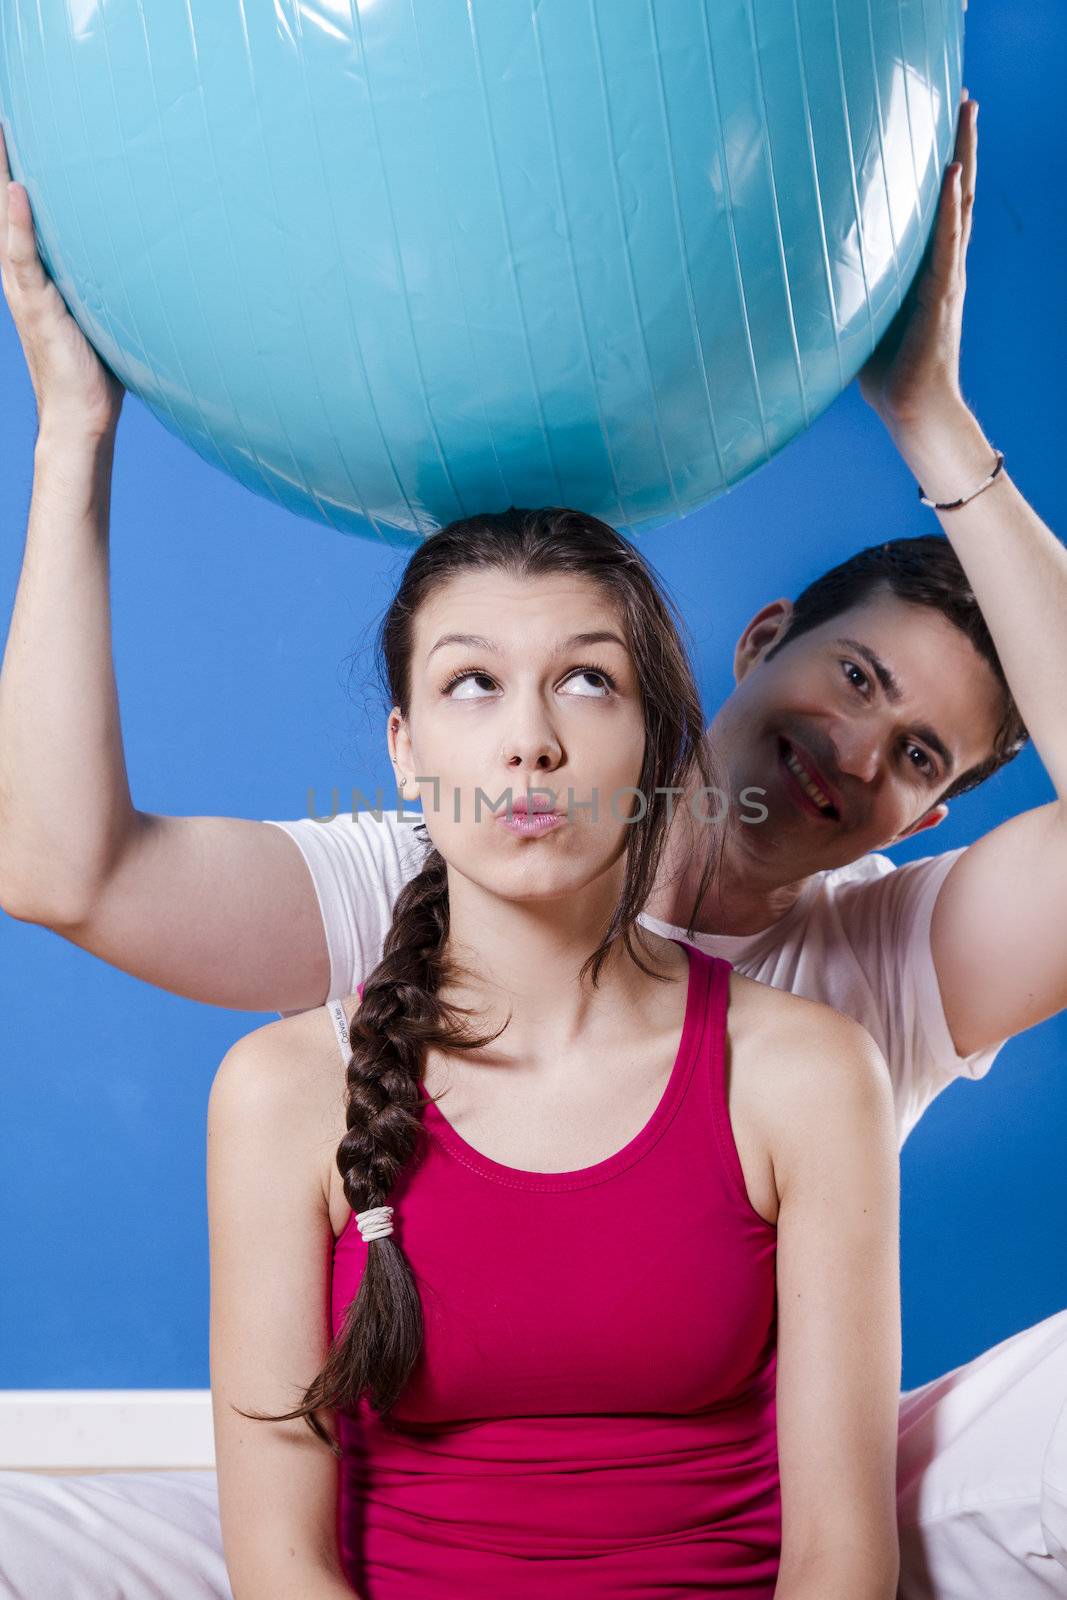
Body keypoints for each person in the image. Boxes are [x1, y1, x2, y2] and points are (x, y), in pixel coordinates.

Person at [1, 94, 1065, 1594]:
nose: (843, 757)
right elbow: (65, 869)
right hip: (410, 1497)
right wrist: (72, 431)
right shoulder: (416, 886)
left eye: (911, 756)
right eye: (853, 681)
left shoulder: (873, 977)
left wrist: (927, 418)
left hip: (753, 1495)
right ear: (751, 650)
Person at [207, 508, 901, 1598]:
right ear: (403, 748)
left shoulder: (807, 1076)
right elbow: (279, 1562)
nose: (529, 740)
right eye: (471, 683)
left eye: (586, 681)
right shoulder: (281, 1092)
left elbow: (841, 1560)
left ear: (659, 749)